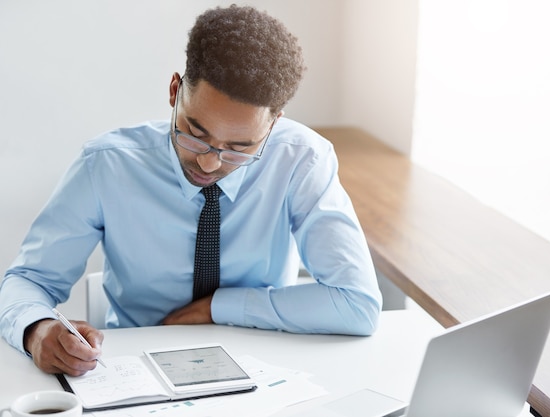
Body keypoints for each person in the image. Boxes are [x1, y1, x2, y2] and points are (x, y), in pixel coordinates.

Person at [0, 4, 382, 376]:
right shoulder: (105, 164)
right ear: (174, 90)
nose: (209, 164)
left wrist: (218, 308)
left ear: (273, 124)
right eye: (195, 134)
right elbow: (28, 280)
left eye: (239, 148)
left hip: (263, 363)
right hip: (135, 365)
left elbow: (357, 304)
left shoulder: (302, 160)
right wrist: (36, 329)